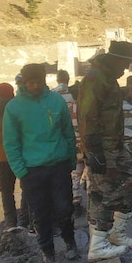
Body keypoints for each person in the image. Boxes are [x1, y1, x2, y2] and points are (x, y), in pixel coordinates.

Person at [2, 64, 78, 263]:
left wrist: (71, 159)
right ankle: (48, 251)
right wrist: (21, 171)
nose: (35, 86)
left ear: (44, 81)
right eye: (30, 82)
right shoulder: (14, 107)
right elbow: (11, 143)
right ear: (24, 83)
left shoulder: (56, 101)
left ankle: (70, 242)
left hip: (59, 164)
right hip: (32, 170)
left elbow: (67, 132)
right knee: (40, 212)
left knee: (64, 207)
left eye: (38, 82)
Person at [78, 41, 132, 261]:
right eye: (126, 63)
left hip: (114, 145)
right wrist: (94, 151)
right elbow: (88, 115)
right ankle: (99, 244)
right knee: (107, 192)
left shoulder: (109, 79)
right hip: (102, 147)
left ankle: (115, 233)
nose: (126, 68)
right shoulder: (96, 79)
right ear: (115, 58)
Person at [0, 82, 30, 232]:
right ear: (11, 93)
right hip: (23, 155)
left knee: (6, 191)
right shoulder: (20, 109)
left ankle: (11, 223)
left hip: (2, 157)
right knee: (27, 187)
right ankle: (25, 220)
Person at [53, 70, 84, 212]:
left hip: (63, 140)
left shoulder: (52, 95)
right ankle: (79, 200)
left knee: (69, 172)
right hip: (83, 140)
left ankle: (71, 200)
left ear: (57, 79)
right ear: (68, 79)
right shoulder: (76, 97)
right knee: (84, 171)